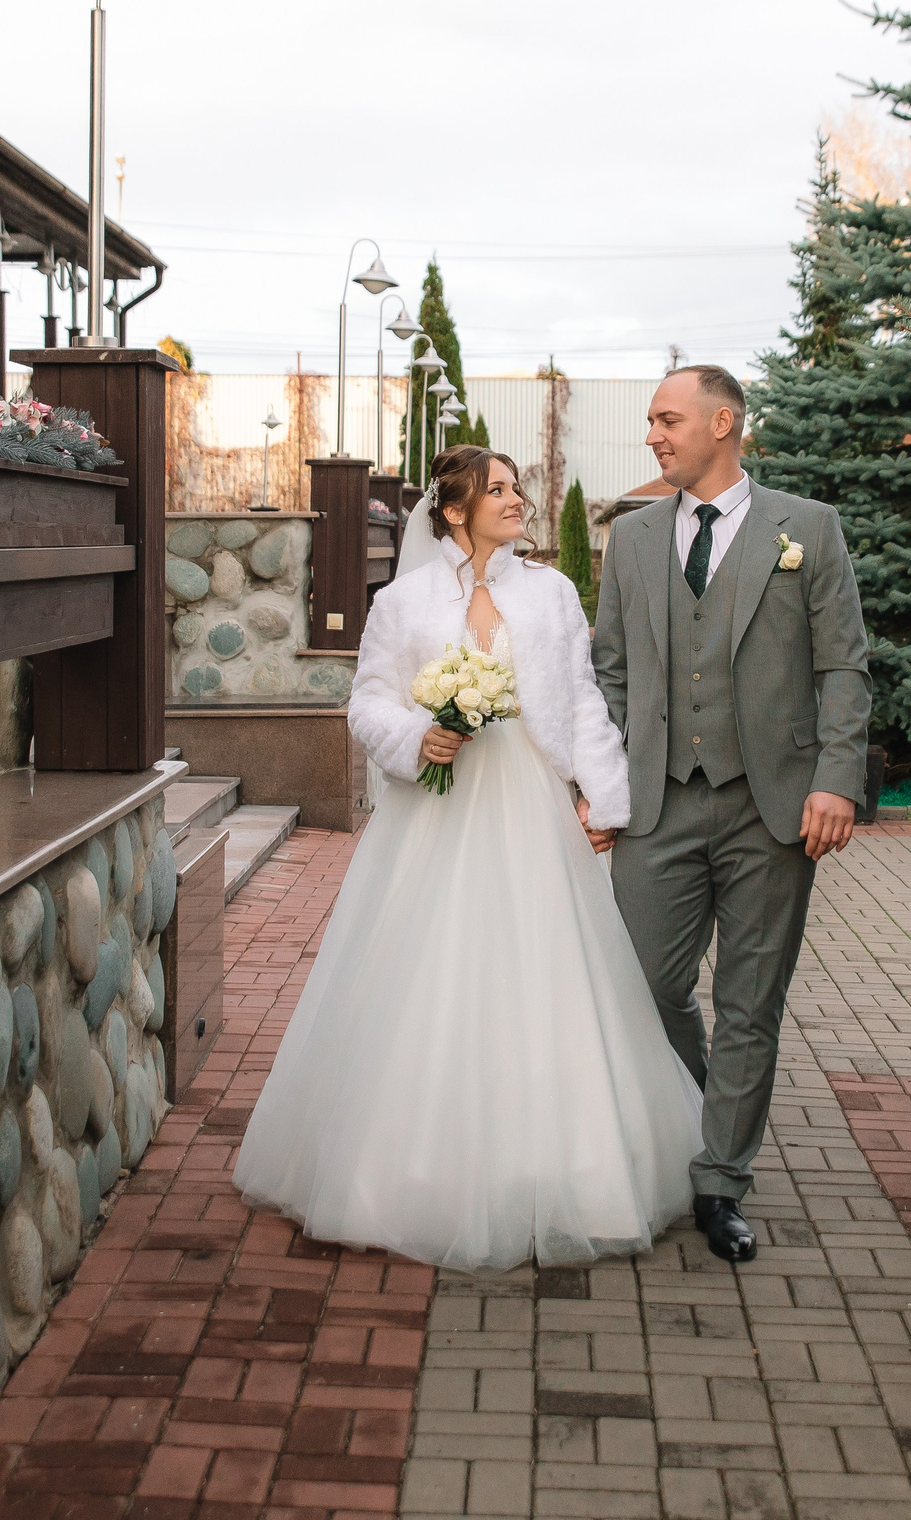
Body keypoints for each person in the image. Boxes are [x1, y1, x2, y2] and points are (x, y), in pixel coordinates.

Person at [233, 444, 702, 1270]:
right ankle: (407, 1172)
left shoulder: (554, 593)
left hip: (528, 802)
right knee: (428, 973)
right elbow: (368, 699)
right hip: (435, 813)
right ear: (454, 510)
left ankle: (566, 1168)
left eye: (518, 487)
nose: (517, 499)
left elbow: (583, 699)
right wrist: (422, 735)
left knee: (543, 974)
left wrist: (604, 794)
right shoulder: (404, 601)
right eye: (499, 489)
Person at [590, 364, 872, 1262]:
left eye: (667, 419)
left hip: (773, 805)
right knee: (646, 983)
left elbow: (843, 665)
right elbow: (611, 673)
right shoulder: (631, 539)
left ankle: (720, 1179)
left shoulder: (810, 529)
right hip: (657, 802)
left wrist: (837, 776)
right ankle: (711, 1098)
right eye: (650, 421)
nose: (653, 435)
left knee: (752, 1000)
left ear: (724, 423)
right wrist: (600, 784)